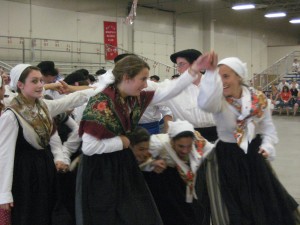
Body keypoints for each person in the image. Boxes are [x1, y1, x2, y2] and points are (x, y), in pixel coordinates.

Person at [77, 53, 216, 225]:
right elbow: (89, 147)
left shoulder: (134, 98)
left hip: (122, 163)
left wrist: (194, 70)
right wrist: (124, 141)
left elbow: (168, 91)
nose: (145, 85)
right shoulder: (102, 103)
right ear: (127, 78)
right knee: (107, 216)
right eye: (143, 79)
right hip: (101, 171)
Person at [198, 57, 300, 225]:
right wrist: (209, 73)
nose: (222, 81)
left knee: (264, 201)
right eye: (219, 77)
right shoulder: (218, 99)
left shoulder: (258, 99)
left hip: (253, 155)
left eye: (226, 76)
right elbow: (204, 103)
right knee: (234, 205)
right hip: (227, 156)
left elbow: (267, 128)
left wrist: (267, 146)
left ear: (238, 76)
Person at [0, 64, 102, 225]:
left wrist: (103, 89)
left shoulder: (44, 106)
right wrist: (4, 193)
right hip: (24, 173)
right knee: (28, 213)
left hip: (44, 167)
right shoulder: (11, 115)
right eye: (34, 81)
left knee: (46, 211)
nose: (40, 85)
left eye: (41, 80)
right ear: (20, 85)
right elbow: (5, 155)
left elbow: (72, 99)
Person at [138, 120, 214, 225]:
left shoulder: (198, 140)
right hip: (164, 182)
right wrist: (152, 163)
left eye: (188, 146)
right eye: (181, 146)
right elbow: (138, 161)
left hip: (185, 181)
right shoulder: (157, 143)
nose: (185, 150)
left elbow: (213, 151)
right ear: (172, 141)